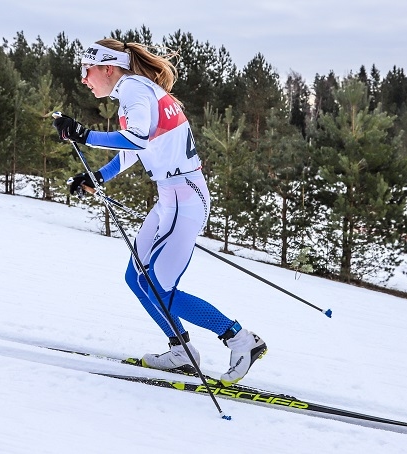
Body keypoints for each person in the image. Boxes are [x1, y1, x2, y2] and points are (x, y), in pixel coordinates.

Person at [53, 39, 267, 386]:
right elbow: (138, 146)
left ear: (108, 68)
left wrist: (85, 135)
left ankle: (241, 339)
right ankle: (181, 351)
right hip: (172, 195)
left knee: (158, 286)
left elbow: (135, 140)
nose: (83, 78)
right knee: (137, 278)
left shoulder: (135, 90)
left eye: (86, 70)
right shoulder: (137, 91)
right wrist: (98, 177)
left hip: (184, 196)